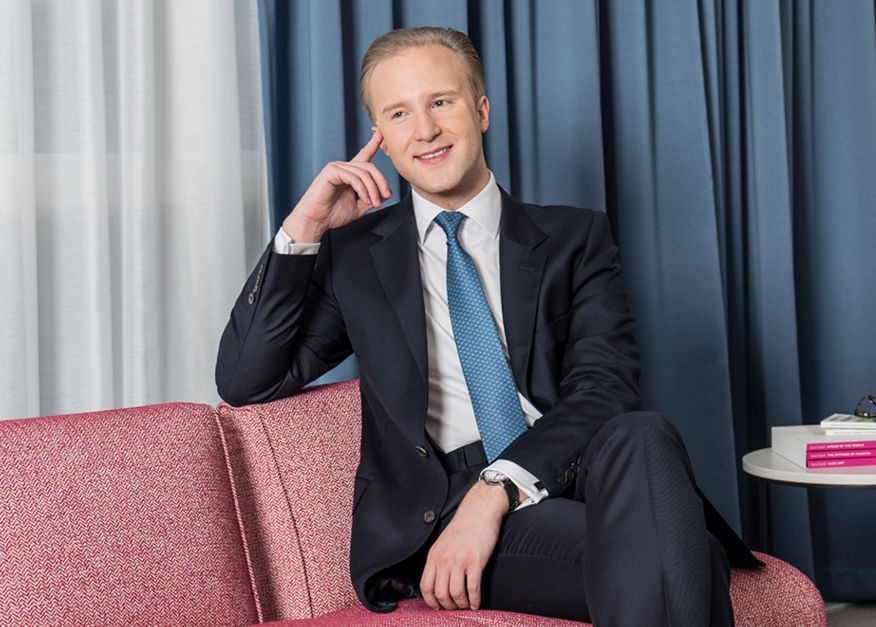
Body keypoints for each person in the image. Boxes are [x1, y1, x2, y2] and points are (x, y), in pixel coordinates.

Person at [216, 26, 758, 626]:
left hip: (569, 468)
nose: (425, 129)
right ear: (382, 139)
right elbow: (246, 380)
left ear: (481, 111)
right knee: (689, 554)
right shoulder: (357, 258)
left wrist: (495, 490)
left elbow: (604, 388)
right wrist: (305, 227)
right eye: (400, 113)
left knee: (643, 432)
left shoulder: (574, 237)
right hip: (440, 502)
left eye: (440, 102)